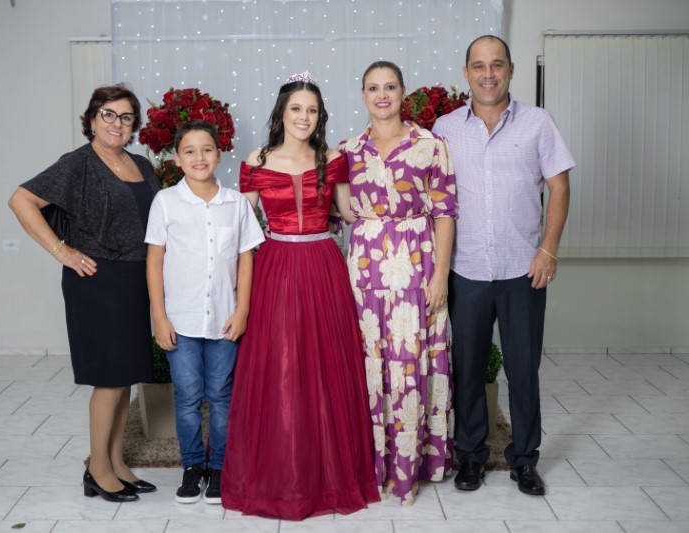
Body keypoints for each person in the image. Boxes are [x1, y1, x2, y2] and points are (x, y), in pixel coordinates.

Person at [221, 72, 380, 520]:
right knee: (280, 365)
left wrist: (399, 217)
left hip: (323, 265)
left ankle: (327, 477)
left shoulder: (333, 158)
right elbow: (242, 226)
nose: (304, 117)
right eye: (296, 109)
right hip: (274, 266)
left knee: (326, 363)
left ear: (320, 116)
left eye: (312, 110)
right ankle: (278, 474)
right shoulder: (256, 159)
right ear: (282, 112)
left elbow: (349, 213)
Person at [432, 35, 574, 495]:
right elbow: (431, 196)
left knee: (523, 370)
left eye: (496, 65)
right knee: (467, 369)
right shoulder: (444, 128)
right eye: (479, 66)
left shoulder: (538, 123)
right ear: (466, 73)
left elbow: (559, 186)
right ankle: (471, 457)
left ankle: (524, 460)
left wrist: (548, 249)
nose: (488, 74)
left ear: (510, 70)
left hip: (523, 270)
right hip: (466, 269)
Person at [8, 84, 159, 503]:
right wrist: (63, 251)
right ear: (92, 119)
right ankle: (97, 469)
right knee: (109, 379)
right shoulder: (78, 164)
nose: (117, 123)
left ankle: (117, 463)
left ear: (134, 124)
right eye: (108, 114)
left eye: (126, 117)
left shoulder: (141, 164)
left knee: (126, 376)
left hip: (134, 279)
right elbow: (20, 200)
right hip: (97, 281)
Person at [340, 61, 457, 506]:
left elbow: (445, 212)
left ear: (403, 92)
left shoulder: (431, 145)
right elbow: (327, 211)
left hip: (416, 264)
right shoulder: (347, 151)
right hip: (364, 271)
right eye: (373, 88)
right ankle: (372, 467)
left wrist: (440, 274)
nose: (382, 95)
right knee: (369, 364)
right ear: (363, 95)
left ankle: (409, 467)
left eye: (390, 86)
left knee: (411, 363)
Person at [145, 120, 264, 505]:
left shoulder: (236, 204)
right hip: (181, 320)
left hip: (224, 319)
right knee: (187, 397)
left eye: (207, 149)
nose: (200, 157)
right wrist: (159, 317)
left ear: (219, 154)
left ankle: (219, 468)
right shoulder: (166, 202)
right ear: (178, 159)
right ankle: (192, 466)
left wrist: (242, 310)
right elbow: (154, 261)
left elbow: (246, 259)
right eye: (190, 151)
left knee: (222, 395)